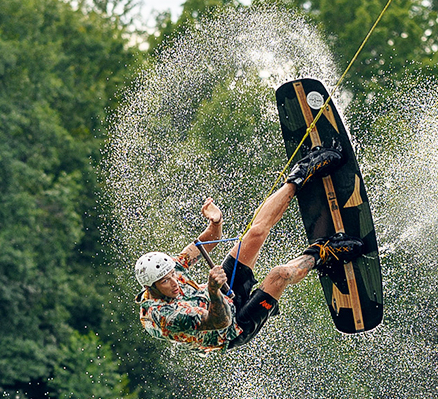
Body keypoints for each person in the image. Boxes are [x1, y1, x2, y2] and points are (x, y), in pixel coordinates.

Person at [134, 143, 365, 351]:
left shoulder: (170, 269)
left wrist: (216, 221)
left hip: (224, 293)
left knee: (254, 234)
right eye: (165, 282)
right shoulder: (163, 316)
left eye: (172, 275)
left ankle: (301, 173)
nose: (174, 282)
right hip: (233, 328)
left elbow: (210, 241)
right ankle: (322, 252)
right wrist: (213, 290)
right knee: (279, 274)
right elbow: (219, 321)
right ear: (151, 287)